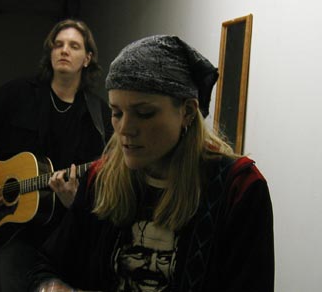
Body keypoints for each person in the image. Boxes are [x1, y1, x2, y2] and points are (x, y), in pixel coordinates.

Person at [27, 35, 274, 292]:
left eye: (144, 113)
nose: (125, 129)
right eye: (116, 113)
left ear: (187, 111)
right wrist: (51, 286)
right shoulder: (100, 178)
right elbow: (48, 265)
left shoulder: (239, 187)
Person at [0, 19, 113, 291]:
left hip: (66, 235)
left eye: (74, 46)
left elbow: (107, 179)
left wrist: (76, 200)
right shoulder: (18, 95)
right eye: (58, 44)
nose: (64, 50)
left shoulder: (99, 116)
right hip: (14, 231)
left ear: (87, 59)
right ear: (50, 53)